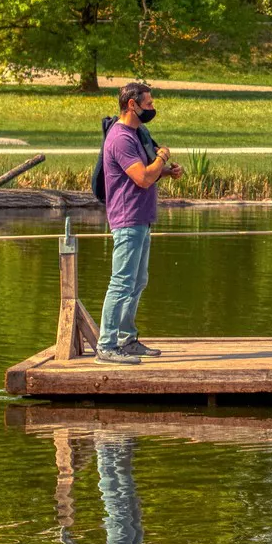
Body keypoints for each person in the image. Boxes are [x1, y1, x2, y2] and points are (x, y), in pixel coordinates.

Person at [95, 82, 180, 365]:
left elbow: (147, 173)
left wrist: (165, 171)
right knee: (121, 282)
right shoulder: (120, 137)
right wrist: (162, 157)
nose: (152, 108)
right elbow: (142, 178)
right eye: (149, 104)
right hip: (127, 218)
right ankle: (106, 345)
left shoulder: (136, 133)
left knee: (137, 281)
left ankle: (126, 339)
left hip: (141, 218)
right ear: (132, 105)